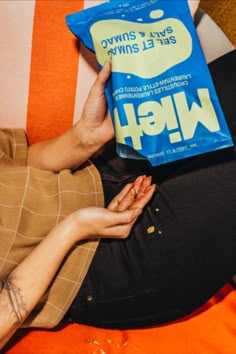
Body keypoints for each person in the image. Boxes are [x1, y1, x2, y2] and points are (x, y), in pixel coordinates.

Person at [1, 0, 236, 350]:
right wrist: (75, 228)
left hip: (101, 174)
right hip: (95, 265)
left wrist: (85, 137)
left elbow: (22, 160)